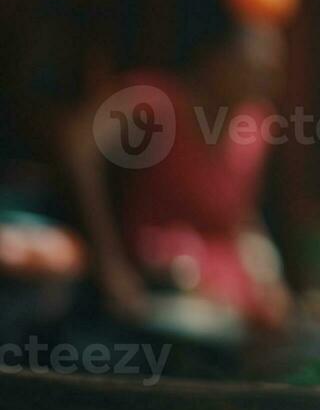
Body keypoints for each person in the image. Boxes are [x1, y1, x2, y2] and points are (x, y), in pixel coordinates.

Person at [64, 24, 291, 334]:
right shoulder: (155, 101)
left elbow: (240, 217)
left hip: (226, 291)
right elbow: (79, 146)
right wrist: (108, 262)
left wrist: (268, 276)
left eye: (274, 70)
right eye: (257, 67)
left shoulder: (256, 126)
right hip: (159, 276)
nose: (268, 80)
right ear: (215, 59)